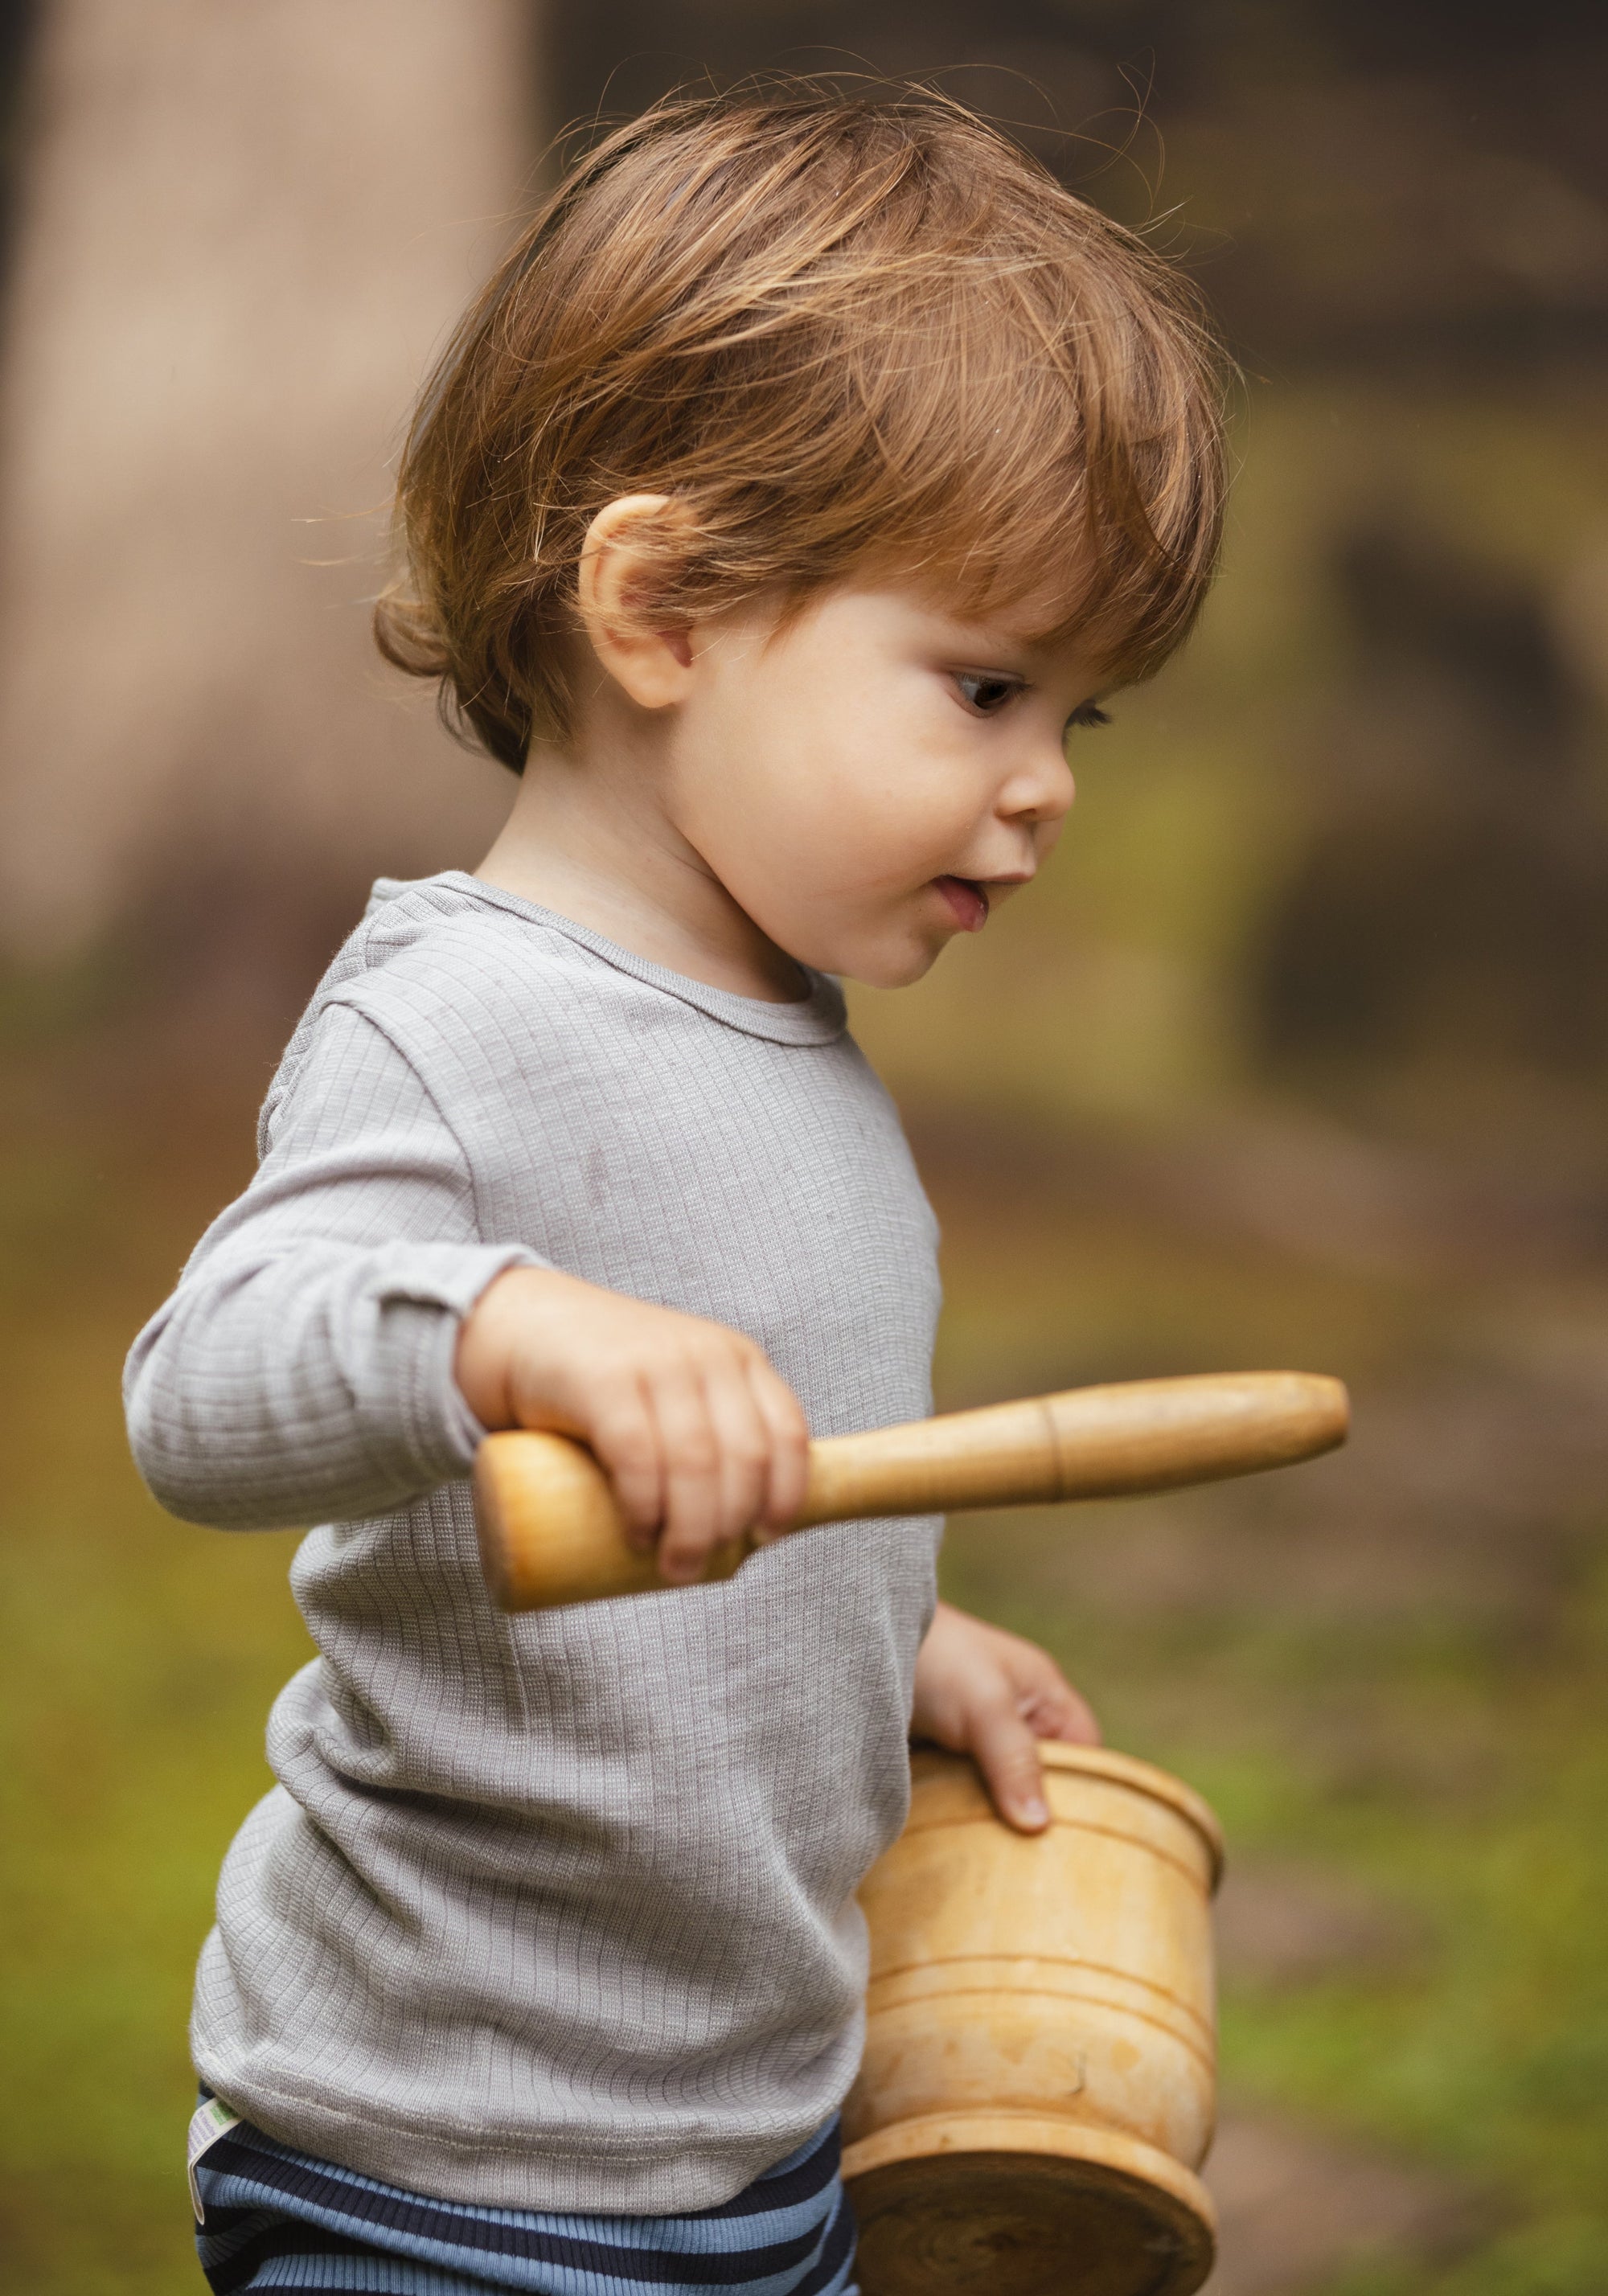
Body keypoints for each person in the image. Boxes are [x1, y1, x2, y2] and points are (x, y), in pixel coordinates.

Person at [125, 83, 1227, 2296]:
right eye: (989, 686)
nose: (1039, 791)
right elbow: (201, 1394)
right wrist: (505, 1325)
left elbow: (739, 1484)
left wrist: (882, 1632)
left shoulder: (792, 1037)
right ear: (664, 604)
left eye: (1078, 725)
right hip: (436, 2169)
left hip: (750, 2152)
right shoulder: (463, 1015)